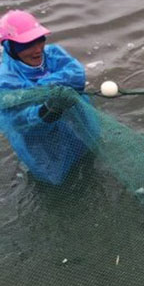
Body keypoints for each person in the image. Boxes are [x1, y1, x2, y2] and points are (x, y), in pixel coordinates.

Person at [0, 10, 98, 184]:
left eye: (40, 40)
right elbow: (18, 122)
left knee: (91, 163)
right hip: (45, 149)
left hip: (78, 130)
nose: (37, 49)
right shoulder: (6, 79)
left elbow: (77, 75)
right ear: (10, 46)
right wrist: (45, 111)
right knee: (64, 184)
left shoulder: (53, 53)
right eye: (27, 44)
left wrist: (41, 89)